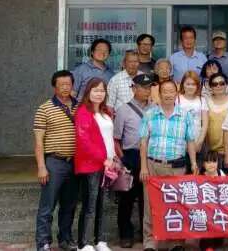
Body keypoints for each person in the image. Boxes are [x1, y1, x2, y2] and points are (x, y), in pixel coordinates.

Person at [139, 80, 199, 251]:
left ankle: (176, 243)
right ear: (159, 94)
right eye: (164, 91)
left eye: (171, 91)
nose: (168, 94)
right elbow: (143, 142)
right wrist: (143, 167)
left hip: (176, 167)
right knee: (150, 205)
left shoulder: (185, 115)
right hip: (153, 164)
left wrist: (194, 163)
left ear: (176, 93)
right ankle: (150, 243)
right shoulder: (150, 114)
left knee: (176, 204)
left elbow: (190, 141)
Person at [34, 70, 80, 251]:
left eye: (68, 84)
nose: (65, 88)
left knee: (69, 204)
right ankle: (43, 242)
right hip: (54, 162)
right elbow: (38, 141)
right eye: (61, 85)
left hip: (75, 162)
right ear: (54, 87)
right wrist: (41, 166)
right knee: (48, 205)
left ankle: (65, 239)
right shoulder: (44, 108)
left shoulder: (79, 106)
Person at [113, 73, 155, 248]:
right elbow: (116, 139)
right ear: (134, 89)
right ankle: (125, 234)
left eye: (149, 87)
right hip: (131, 156)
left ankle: (146, 234)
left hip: (151, 156)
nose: (147, 91)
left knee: (148, 199)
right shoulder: (123, 110)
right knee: (127, 199)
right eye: (143, 88)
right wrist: (122, 161)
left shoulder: (155, 108)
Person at [74, 78, 116, 251]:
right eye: (95, 90)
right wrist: (103, 158)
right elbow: (84, 141)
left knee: (102, 204)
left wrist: (112, 159)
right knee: (90, 205)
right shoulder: (83, 112)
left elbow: (109, 139)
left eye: (102, 91)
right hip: (90, 165)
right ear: (88, 92)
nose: (99, 94)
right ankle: (84, 243)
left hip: (107, 165)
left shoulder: (106, 112)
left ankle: (100, 241)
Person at [199, 151, 226, 251]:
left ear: (218, 163)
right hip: (204, 210)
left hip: (219, 209)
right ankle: (208, 246)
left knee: (219, 240)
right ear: (203, 164)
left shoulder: (221, 174)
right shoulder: (199, 176)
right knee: (207, 239)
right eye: (208, 162)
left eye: (214, 161)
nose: (211, 164)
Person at [177, 71, 209, 154]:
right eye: (188, 84)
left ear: (197, 86)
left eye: (193, 84)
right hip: (179, 142)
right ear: (183, 84)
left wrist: (199, 142)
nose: (190, 87)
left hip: (197, 140)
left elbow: (205, 124)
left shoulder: (202, 100)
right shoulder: (177, 99)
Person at [203, 73, 228, 160]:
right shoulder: (205, 102)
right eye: (215, 84)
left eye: (222, 83)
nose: (218, 86)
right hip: (210, 152)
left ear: (226, 85)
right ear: (210, 87)